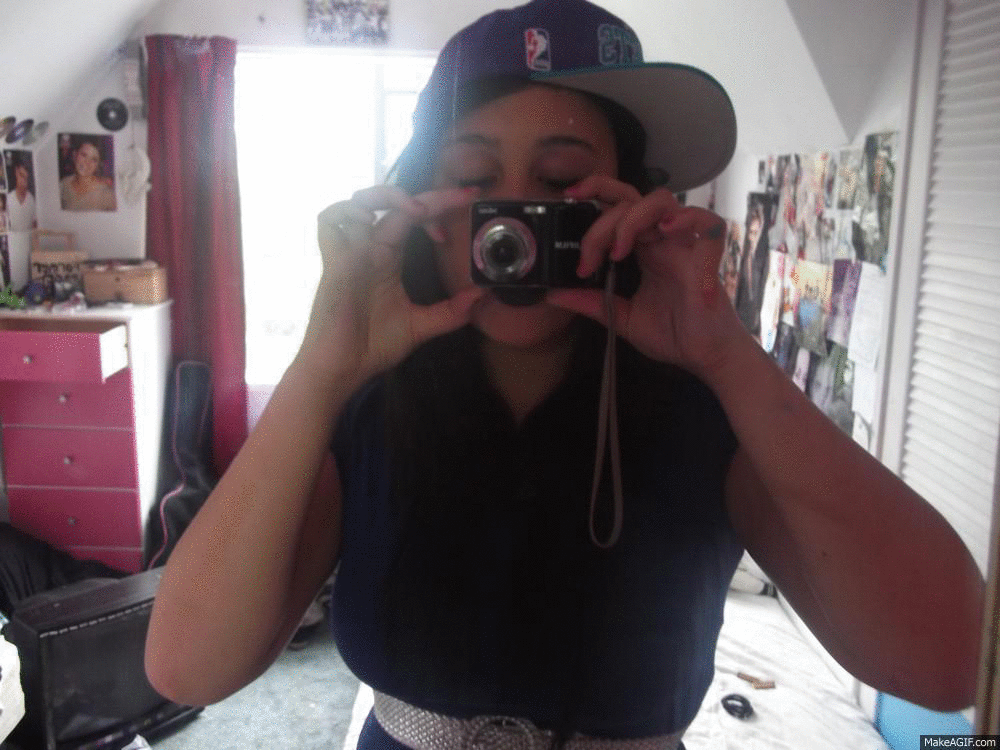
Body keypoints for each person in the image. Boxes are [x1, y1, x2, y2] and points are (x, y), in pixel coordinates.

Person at [145, 1, 985, 748]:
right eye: (474, 183)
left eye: (559, 184)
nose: (515, 222)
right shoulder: (364, 403)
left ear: (632, 203)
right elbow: (186, 667)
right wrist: (321, 367)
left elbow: (949, 662)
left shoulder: (710, 409)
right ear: (424, 214)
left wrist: (728, 354)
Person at [60, 138, 117, 211]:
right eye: (84, 155)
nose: (87, 162)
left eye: (94, 159)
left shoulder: (106, 195)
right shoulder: (64, 184)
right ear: (74, 155)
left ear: (98, 166)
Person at [7, 153, 37, 231]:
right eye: (21, 175)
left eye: (26, 178)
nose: (23, 181)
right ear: (16, 172)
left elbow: (35, 225)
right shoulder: (9, 199)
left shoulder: (31, 199)